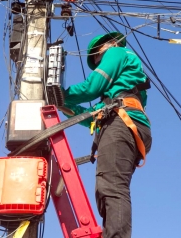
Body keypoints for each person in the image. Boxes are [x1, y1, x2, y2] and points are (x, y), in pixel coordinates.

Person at [61, 32, 152, 238]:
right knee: (106, 188)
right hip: (122, 123)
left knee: (111, 186)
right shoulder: (113, 96)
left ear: (111, 43)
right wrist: (64, 104)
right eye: (93, 57)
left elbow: (92, 86)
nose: (95, 59)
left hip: (123, 122)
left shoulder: (117, 51)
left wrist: (62, 94)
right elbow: (90, 118)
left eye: (97, 52)